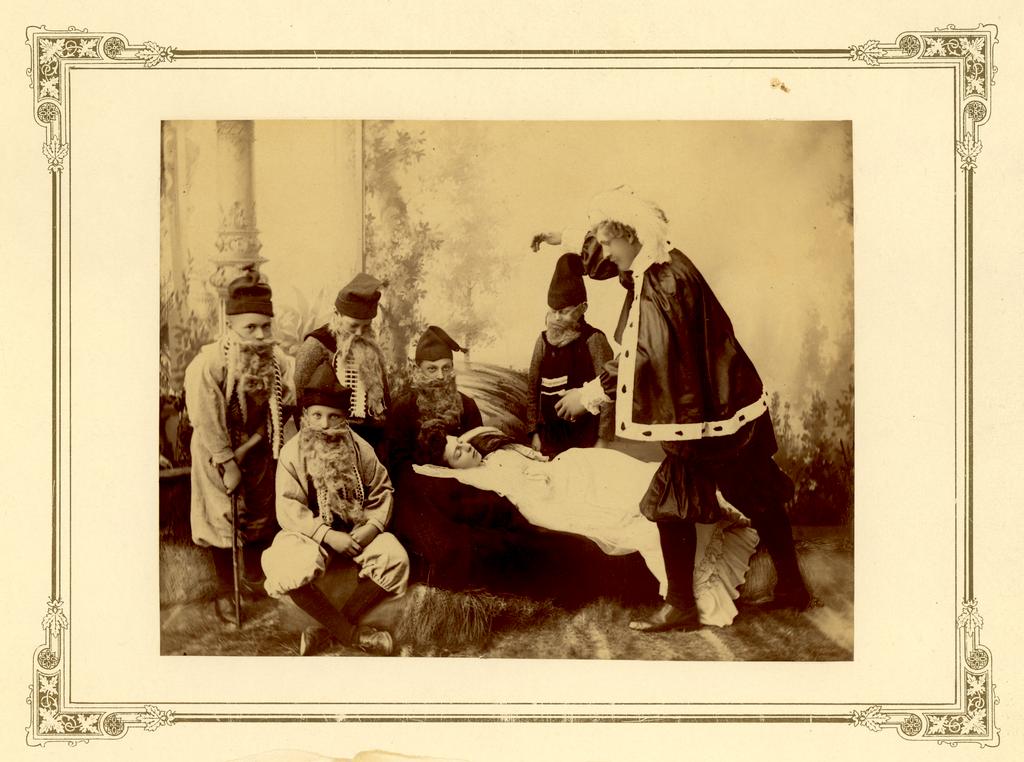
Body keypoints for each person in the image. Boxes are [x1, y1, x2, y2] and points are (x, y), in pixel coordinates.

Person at [534, 187, 812, 633]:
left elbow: (644, 359)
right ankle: (790, 588)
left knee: (682, 499)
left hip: (706, 412)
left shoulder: (662, 284)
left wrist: (588, 396)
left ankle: (683, 605)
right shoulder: (657, 259)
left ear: (631, 236)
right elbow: (603, 261)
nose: (605, 254)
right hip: (722, 403)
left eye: (608, 242)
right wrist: (564, 238)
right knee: (752, 490)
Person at [413, 426, 759, 627]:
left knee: (613, 470)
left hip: (561, 470)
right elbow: (429, 471)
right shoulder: (477, 479)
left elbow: (483, 437)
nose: (466, 448)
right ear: (450, 468)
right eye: (457, 453)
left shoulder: (491, 454)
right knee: (620, 511)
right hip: (547, 498)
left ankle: (696, 504)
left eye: (460, 441)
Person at [261, 363, 408, 656]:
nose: (325, 424)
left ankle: (327, 631)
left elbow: (382, 490)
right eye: (317, 415)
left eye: (334, 417)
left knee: (395, 557)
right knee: (284, 563)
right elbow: (289, 506)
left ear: (345, 419)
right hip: (310, 536)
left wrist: (369, 529)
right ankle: (350, 634)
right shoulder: (292, 452)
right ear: (305, 416)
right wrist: (327, 535)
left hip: (355, 534)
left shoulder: (361, 449)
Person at [184, 272, 295, 621]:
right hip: (216, 447)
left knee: (261, 509)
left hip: (259, 444)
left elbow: (285, 406)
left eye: (265, 326)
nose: (260, 335)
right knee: (223, 514)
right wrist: (228, 462)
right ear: (230, 324)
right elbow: (206, 418)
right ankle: (225, 590)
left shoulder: (278, 362)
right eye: (250, 327)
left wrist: (256, 443)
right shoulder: (208, 364)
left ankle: (255, 579)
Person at [526, 253, 615, 457]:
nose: (557, 318)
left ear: (582, 308)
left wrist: (602, 440)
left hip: (586, 440)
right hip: (549, 439)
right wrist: (534, 432)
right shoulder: (542, 341)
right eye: (553, 311)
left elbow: (609, 393)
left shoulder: (594, 340)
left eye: (564, 311)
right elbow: (533, 389)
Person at [294, 273, 390, 450]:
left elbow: (384, 398)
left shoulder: (371, 346)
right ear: (337, 315)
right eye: (353, 326)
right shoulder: (315, 346)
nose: (359, 333)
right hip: (329, 438)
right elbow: (301, 401)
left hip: (369, 441)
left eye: (366, 326)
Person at [382, 325, 483, 476]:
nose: (440, 376)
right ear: (418, 370)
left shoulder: (467, 405)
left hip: (468, 480)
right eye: (432, 369)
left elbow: (480, 451)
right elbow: (397, 463)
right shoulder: (402, 409)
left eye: (446, 368)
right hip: (420, 483)